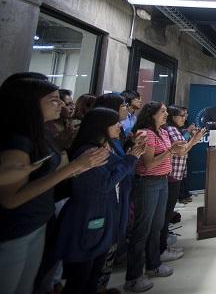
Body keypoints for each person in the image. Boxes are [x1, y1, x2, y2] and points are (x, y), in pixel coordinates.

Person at [0, 78, 109, 294]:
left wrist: (72, 156)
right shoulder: (18, 140)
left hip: (39, 220)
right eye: (53, 100)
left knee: (32, 283)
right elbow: (11, 199)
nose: (61, 104)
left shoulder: (43, 133)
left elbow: (54, 169)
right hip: (18, 228)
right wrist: (74, 167)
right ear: (30, 103)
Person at [56, 108, 146, 294]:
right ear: (101, 126)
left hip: (105, 210)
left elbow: (118, 168)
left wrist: (131, 154)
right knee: (83, 273)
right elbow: (105, 183)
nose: (119, 125)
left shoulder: (105, 146)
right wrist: (130, 158)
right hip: (90, 214)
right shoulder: (88, 152)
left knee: (96, 267)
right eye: (114, 123)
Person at [124, 102, 186, 293]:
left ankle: (154, 264)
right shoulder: (145, 134)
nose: (166, 114)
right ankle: (134, 276)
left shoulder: (164, 132)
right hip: (148, 183)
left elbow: (175, 153)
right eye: (163, 111)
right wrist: (170, 151)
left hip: (162, 181)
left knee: (157, 226)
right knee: (142, 229)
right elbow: (148, 163)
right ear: (151, 114)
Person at [160, 106, 204, 262]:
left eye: (186, 115)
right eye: (182, 115)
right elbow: (181, 151)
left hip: (175, 175)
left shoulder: (174, 129)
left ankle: (163, 245)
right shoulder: (171, 130)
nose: (184, 118)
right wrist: (194, 140)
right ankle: (161, 249)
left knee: (167, 212)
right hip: (171, 175)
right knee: (164, 215)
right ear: (173, 116)